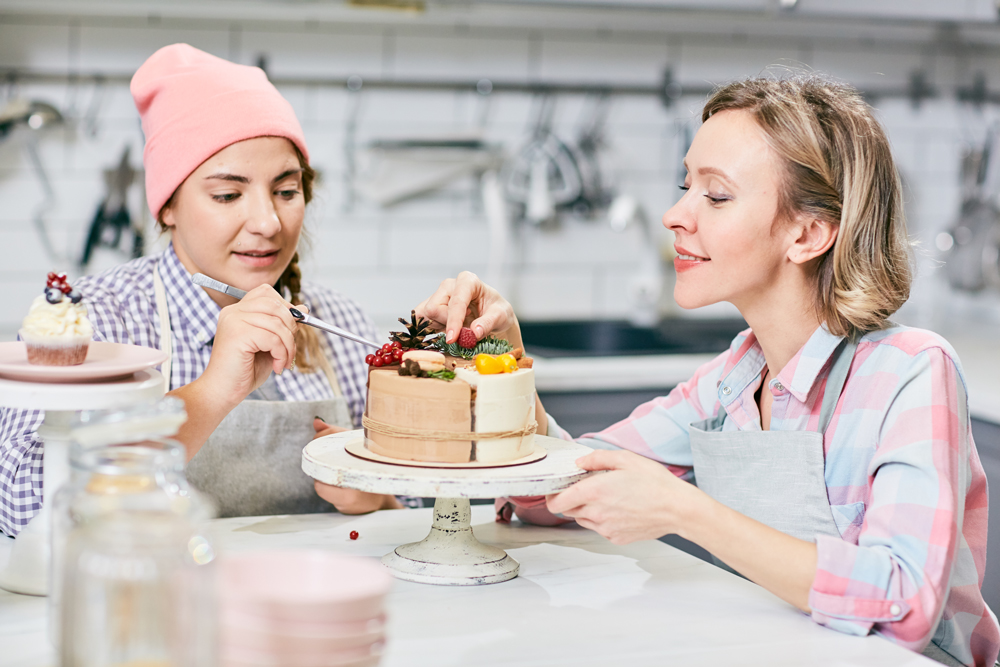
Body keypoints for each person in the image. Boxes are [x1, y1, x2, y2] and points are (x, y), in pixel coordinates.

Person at [414, 76, 1000, 666]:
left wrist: (683, 510)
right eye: (684, 185)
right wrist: (506, 365)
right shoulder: (733, 381)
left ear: (808, 234)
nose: (674, 215)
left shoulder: (912, 374)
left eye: (715, 196)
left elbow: (904, 605)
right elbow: (560, 491)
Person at [0, 44, 401, 532]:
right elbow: (22, 507)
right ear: (167, 206)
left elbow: (428, 508)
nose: (268, 222)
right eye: (228, 194)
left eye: (287, 191)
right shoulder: (96, 321)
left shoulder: (339, 324)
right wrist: (211, 393)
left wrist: (378, 499)